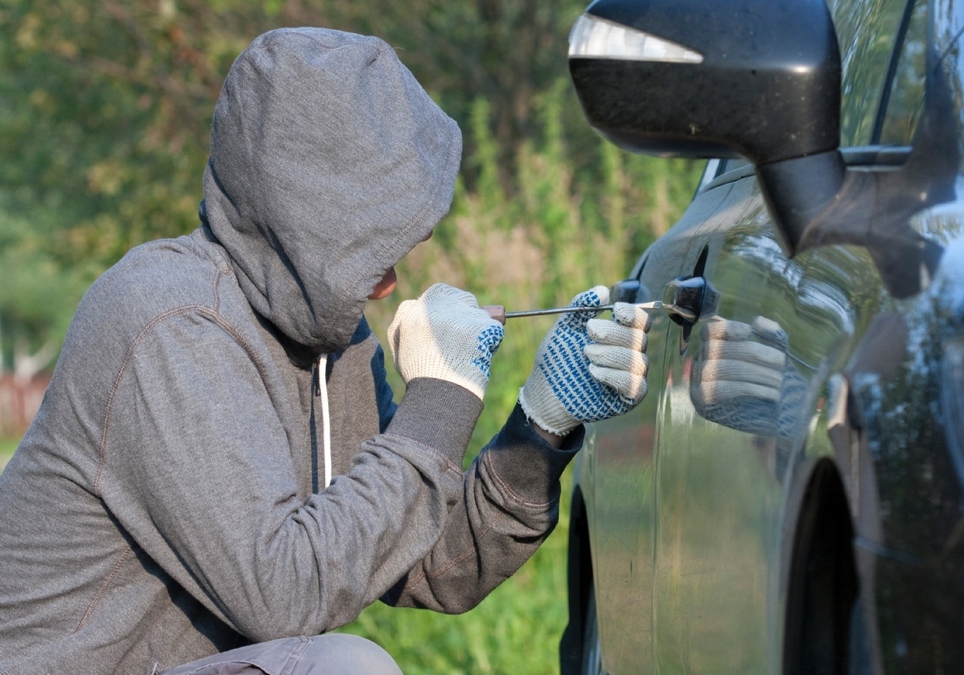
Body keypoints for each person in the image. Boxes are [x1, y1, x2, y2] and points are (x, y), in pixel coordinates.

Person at [0, 28, 650, 674]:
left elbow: (433, 565)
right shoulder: (169, 324)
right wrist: (442, 394)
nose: (392, 279)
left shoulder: (334, 344)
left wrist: (540, 421)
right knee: (345, 669)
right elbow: (282, 595)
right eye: (370, 247)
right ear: (305, 219)